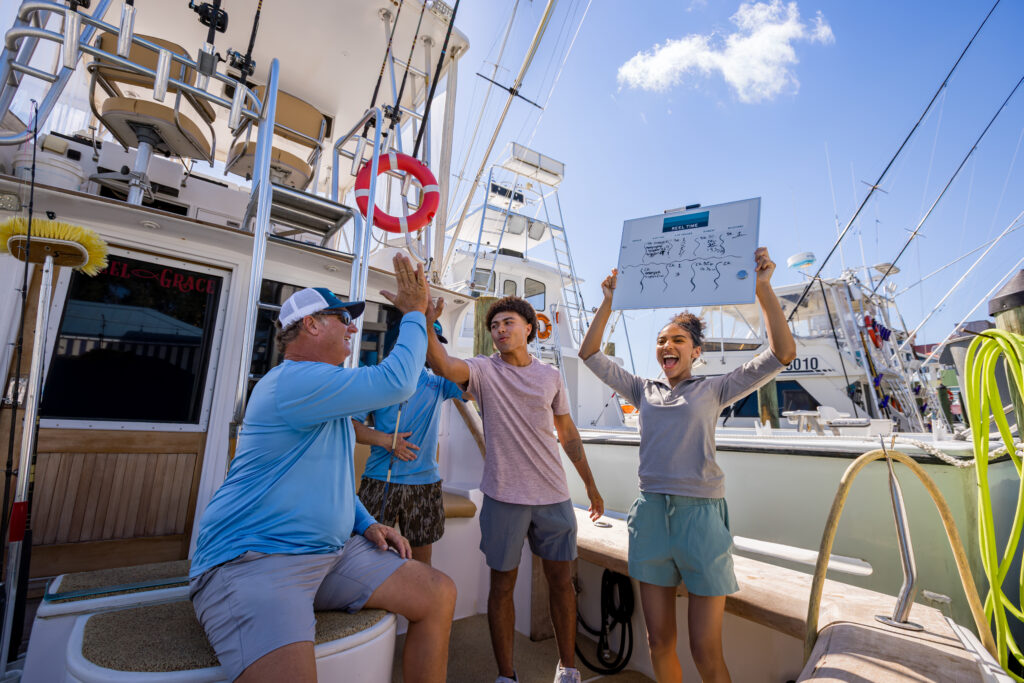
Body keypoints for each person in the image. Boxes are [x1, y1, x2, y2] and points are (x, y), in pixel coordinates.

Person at [189, 254, 456, 683]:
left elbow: (329, 479)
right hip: (257, 559)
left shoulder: (326, 391)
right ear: (311, 325)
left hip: (329, 554)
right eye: (343, 319)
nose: (353, 328)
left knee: (437, 592)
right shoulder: (292, 381)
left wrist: (366, 523)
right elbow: (397, 382)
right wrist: (413, 314)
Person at [578, 248, 795, 683]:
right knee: (659, 642)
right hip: (651, 516)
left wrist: (762, 289)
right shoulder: (642, 389)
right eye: (662, 340)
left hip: (701, 519)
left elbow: (781, 354)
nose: (667, 346)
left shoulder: (715, 389)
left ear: (696, 351)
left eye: (677, 340)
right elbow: (590, 353)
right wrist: (608, 301)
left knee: (705, 650)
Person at [425, 294, 604, 683]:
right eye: (494, 326)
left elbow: (568, 434)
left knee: (562, 583)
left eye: (507, 322)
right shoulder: (482, 370)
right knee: (502, 586)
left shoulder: (550, 376)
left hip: (554, 496)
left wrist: (591, 486)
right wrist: (424, 320)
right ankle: (507, 675)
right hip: (504, 496)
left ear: (529, 328)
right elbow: (443, 364)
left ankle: (568, 669)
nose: (500, 330)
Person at [353, 320, 467, 566]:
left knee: (421, 563)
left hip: (425, 484)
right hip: (379, 480)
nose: (430, 351)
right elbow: (350, 426)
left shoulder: (439, 382)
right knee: (365, 558)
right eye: (426, 342)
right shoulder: (378, 378)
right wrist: (387, 441)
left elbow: (470, 390)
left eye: (435, 345)